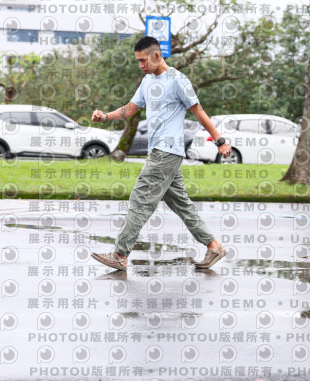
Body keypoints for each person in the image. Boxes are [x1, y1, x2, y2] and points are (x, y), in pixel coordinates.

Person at [90, 36, 232, 271]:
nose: (140, 65)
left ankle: (120, 254)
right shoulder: (147, 81)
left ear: (156, 55)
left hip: (166, 152)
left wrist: (220, 141)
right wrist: (106, 116)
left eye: (143, 60)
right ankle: (214, 246)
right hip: (160, 151)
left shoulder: (177, 80)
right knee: (181, 204)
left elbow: (198, 111)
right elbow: (130, 108)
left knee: (139, 199)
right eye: (137, 61)